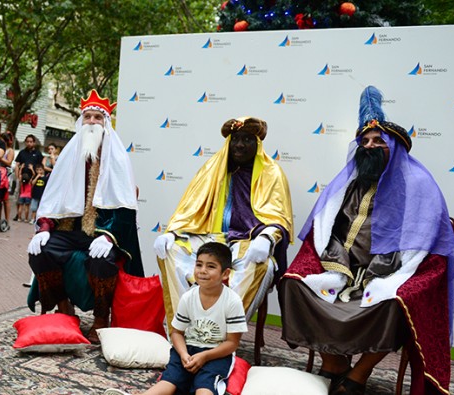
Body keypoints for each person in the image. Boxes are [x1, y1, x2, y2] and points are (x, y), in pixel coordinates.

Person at [279, 86, 454, 395]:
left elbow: (427, 249)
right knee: (293, 282)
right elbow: (325, 231)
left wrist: (392, 277)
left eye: (378, 141)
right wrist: (336, 267)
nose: (370, 146)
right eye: (364, 141)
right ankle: (334, 363)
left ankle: (359, 374)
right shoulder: (350, 184)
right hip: (342, 269)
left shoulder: (418, 186)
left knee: (395, 302)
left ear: (394, 147)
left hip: (391, 274)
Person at [153, 117, 293, 328]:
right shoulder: (212, 168)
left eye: (247, 139)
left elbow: (278, 216)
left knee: (261, 265)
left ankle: (221, 332)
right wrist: (172, 233)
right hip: (209, 236)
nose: (239, 145)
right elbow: (191, 208)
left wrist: (266, 237)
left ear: (257, 144)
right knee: (171, 250)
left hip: (246, 240)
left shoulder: (271, 172)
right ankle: (183, 327)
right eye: (235, 139)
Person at [27, 89, 142, 343]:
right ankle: (64, 308)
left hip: (101, 232)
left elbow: (124, 206)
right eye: (87, 117)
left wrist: (109, 237)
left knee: (103, 262)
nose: (91, 122)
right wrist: (44, 227)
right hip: (69, 231)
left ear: (106, 124)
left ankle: (101, 317)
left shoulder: (117, 159)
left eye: (97, 118)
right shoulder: (69, 156)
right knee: (39, 251)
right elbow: (53, 199)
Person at [105, 243, 247, 395]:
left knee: (205, 388)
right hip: (187, 351)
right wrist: (184, 354)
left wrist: (205, 356)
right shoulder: (188, 297)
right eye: (199, 265)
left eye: (211, 266)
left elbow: (232, 343)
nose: (202, 271)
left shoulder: (232, 301)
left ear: (225, 274)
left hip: (216, 355)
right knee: (169, 382)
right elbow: (176, 332)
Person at [14, 134, 43, 221]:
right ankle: (18, 215)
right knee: (19, 197)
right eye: (27, 142)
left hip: (33, 180)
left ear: (34, 143)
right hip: (21, 178)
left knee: (31, 198)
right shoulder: (22, 152)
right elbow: (17, 164)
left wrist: (38, 175)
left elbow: (41, 166)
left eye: (31, 142)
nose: (29, 143)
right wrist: (17, 176)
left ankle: (30, 216)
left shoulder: (38, 153)